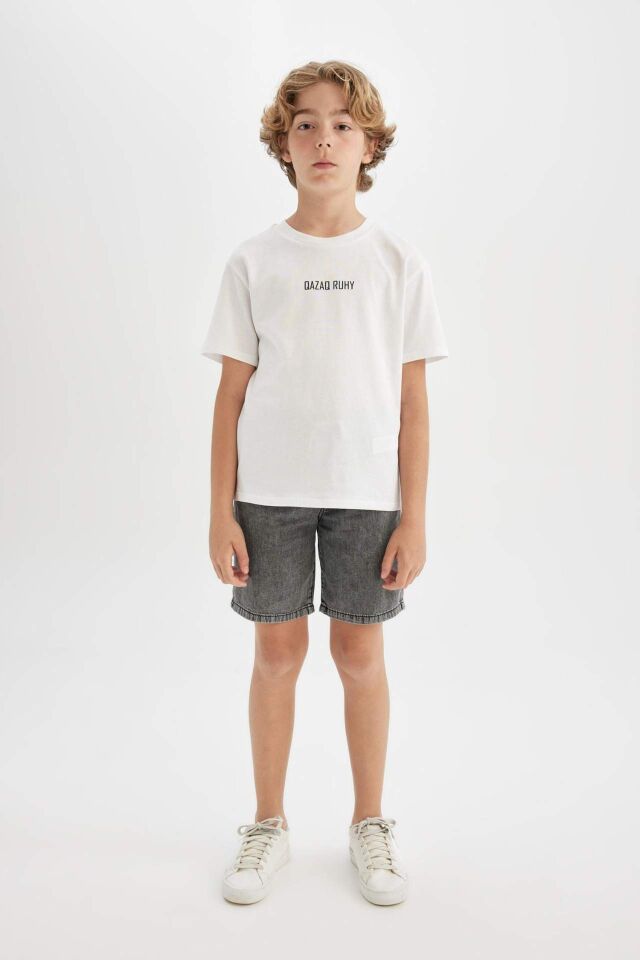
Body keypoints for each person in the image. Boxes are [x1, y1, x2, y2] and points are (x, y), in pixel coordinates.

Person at [200, 60, 449, 906]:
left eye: (343, 124)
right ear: (284, 145)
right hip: (267, 496)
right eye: (304, 124)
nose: (324, 139)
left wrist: (415, 518)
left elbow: (414, 405)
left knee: (359, 652)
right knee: (276, 653)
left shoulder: (397, 261)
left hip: (366, 495)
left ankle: (370, 822)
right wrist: (219, 513)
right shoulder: (254, 260)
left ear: (369, 144)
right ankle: (267, 823)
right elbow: (230, 397)